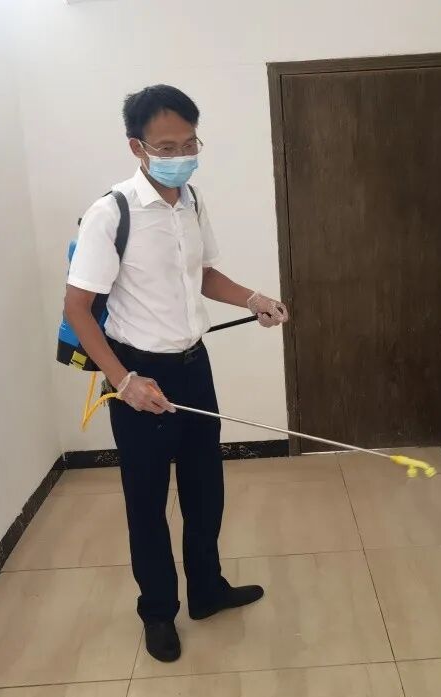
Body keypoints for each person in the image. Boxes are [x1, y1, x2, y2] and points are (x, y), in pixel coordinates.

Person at [63, 85, 289, 663]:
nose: (182, 154)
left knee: (205, 490)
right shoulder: (111, 213)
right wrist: (123, 381)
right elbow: (78, 309)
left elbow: (203, 274)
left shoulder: (191, 200)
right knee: (146, 503)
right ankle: (159, 612)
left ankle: (208, 591)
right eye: (167, 146)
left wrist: (253, 298)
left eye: (190, 143)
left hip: (194, 367)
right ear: (137, 147)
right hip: (138, 377)